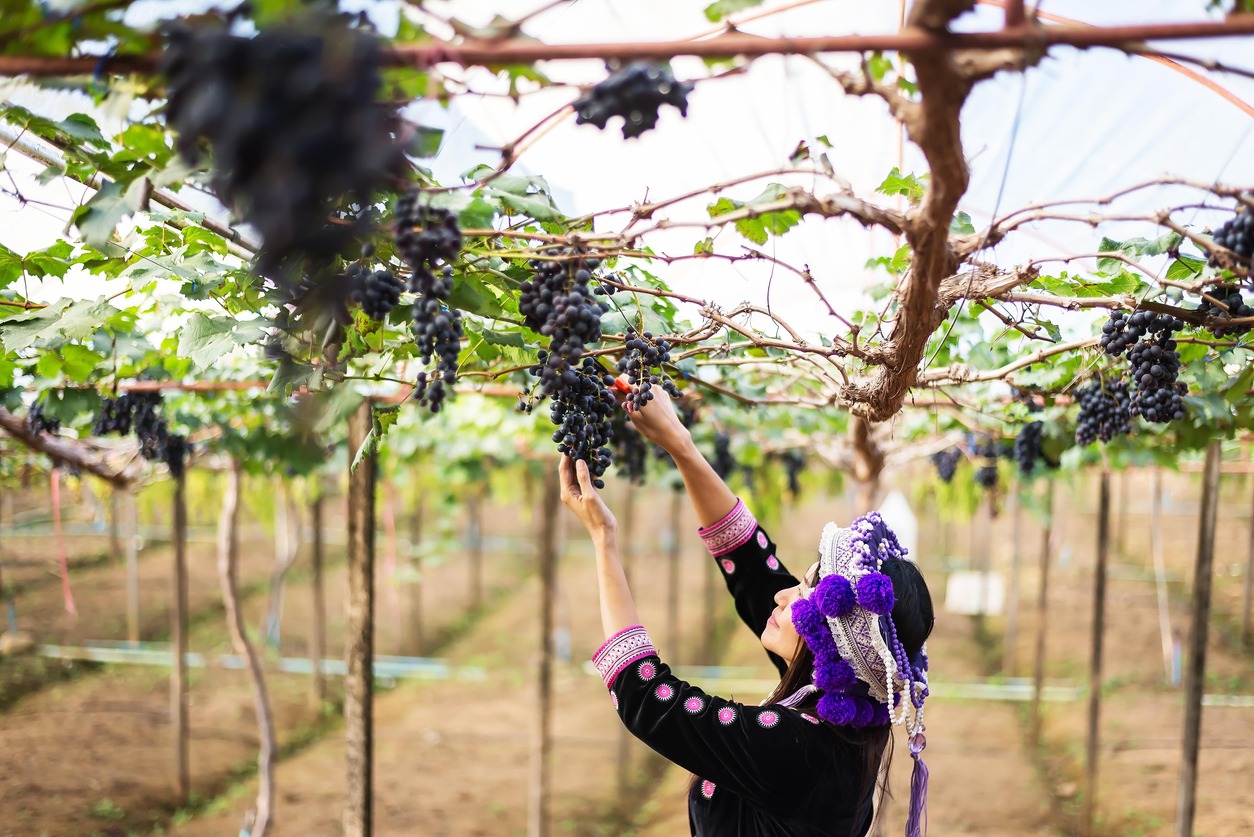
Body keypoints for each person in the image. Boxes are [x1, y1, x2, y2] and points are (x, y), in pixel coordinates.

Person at [558, 387, 935, 837]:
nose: (782, 597)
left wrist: (604, 537)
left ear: (833, 645)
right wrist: (679, 443)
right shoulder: (845, 709)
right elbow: (754, 569)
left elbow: (644, 696)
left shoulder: (794, 747)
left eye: (802, 595)